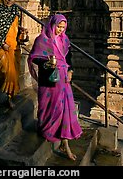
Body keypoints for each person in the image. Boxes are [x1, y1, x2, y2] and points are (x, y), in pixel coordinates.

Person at [28, 13, 82, 161]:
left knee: (63, 107)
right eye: (58, 26)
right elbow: (35, 57)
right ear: (52, 24)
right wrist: (46, 63)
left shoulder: (65, 40)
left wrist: (70, 70)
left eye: (63, 27)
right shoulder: (42, 40)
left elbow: (69, 57)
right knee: (48, 105)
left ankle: (65, 143)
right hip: (49, 76)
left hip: (63, 77)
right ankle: (46, 129)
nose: (60, 30)